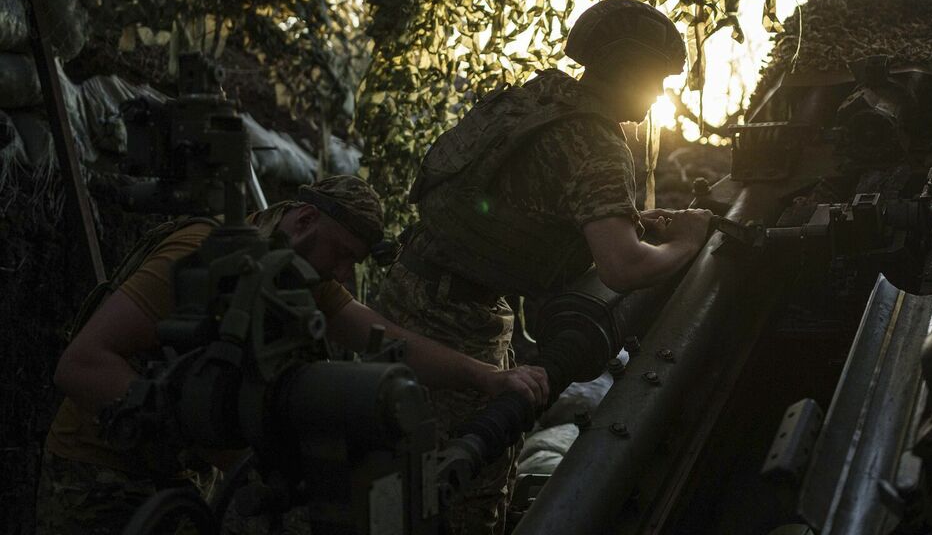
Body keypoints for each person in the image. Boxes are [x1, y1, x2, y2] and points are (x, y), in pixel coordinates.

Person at [36, 175, 549, 535]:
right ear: (304, 220)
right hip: (98, 474)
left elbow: (387, 342)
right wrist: (217, 437)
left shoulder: (301, 275)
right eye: (343, 252)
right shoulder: (199, 255)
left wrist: (487, 378)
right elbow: (80, 365)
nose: (345, 274)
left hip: (180, 478)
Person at [379, 0, 714, 534]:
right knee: (462, 490)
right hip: (459, 324)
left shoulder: (539, 97)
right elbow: (623, 268)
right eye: (655, 79)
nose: (659, 94)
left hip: (408, 289)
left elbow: (532, 197)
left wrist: (624, 217)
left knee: (391, 466)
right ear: (628, 69)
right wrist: (690, 242)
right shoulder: (599, 142)